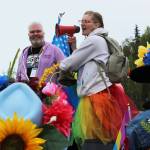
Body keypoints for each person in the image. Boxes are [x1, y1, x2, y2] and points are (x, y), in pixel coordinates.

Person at [59, 11, 138, 149]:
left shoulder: (93, 40)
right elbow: (85, 62)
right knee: (106, 137)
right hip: (103, 93)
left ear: (97, 24)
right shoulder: (99, 39)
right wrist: (74, 48)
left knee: (95, 140)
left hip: (96, 96)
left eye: (87, 21)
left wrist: (59, 66)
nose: (82, 23)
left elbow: (68, 64)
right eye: (81, 21)